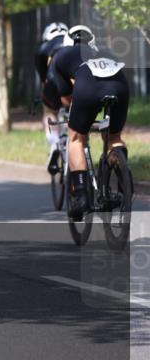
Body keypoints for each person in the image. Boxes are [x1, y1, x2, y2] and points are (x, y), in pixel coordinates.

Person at [46, 25, 129, 221]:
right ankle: (123, 171)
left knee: (76, 139)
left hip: (88, 86)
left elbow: (66, 100)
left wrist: (82, 113)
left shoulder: (61, 55)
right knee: (114, 137)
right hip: (120, 86)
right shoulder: (105, 50)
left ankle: (82, 196)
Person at [35, 22, 70, 161]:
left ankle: (54, 140)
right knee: (73, 111)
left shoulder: (43, 48)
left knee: (50, 111)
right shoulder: (73, 44)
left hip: (52, 80)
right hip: (73, 81)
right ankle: (71, 143)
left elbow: (43, 78)